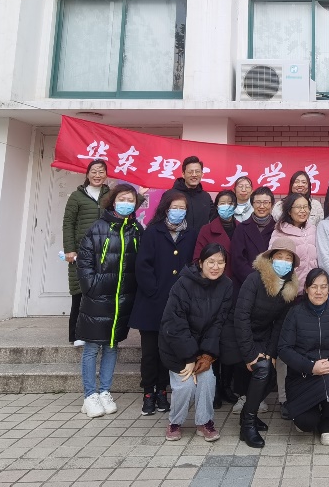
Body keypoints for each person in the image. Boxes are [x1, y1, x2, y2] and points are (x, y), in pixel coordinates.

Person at [76, 183, 142, 419]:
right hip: (98, 297)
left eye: (131, 200)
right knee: (92, 346)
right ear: (113, 201)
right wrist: (92, 286)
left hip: (122, 300)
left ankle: (105, 391)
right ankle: (89, 395)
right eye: (122, 199)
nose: (127, 203)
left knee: (112, 345)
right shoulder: (98, 227)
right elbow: (84, 261)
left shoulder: (136, 229)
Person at [130, 190, 198, 416]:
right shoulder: (153, 231)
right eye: (174, 207)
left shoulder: (191, 233)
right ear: (165, 209)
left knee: (166, 352)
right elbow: (143, 265)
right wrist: (155, 290)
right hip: (152, 303)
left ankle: (162, 391)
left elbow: (192, 264)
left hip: (178, 304)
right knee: (150, 353)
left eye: (182, 208)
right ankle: (148, 393)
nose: (178, 211)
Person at [158, 242, 233, 442]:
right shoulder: (183, 284)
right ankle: (175, 422)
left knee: (207, 381)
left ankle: (204, 422)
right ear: (200, 263)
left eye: (220, 262)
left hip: (203, 348)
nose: (215, 267)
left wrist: (207, 355)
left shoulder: (227, 286)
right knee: (185, 386)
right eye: (211, 262)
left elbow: (219, 322)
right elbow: (175, 323)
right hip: (177, 346)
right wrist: (189, 357)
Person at [233, 239, 301, 447]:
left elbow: (278, 324)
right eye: (279, 257)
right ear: (271, 259)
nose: (284, 262)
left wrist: (270, 353)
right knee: (261, 369)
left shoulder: (288, 288)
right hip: (238, 336)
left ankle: (247, 415)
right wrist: (250, 355)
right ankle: (248, 425)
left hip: (263, 336)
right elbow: (241, 317)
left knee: (270, 371)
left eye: (288, 258)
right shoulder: (255, 279)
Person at [278, 268, 329, 446]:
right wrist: (310, 366)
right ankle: (311, 411)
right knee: (306, 423)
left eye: (323, 287)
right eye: (314, 286)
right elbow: (284, 348)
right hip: (302, 375)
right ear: (306, 289)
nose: (319, 291)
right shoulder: (295, 313)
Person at [268, 191, 319, 418]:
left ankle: (306, 393)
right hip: (288, 298)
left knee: (307, 346)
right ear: (289, 210)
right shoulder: (279, 231)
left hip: (310, 297)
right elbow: (273, 265)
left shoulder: (314, 229)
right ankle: (284, 397)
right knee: (286, 348)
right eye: (298, 207)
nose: (302, 210)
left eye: (305, 206)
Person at [195, 189, 243, 409]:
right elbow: (197, 259)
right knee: (212, 338)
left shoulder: (240, 227)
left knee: (229, 340)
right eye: (222, 203)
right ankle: (212, 388)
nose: (227, 207)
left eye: (230, 203)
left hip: (235, 291)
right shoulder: (207, 229)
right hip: (212, 291)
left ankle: (226, 386)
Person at [63, 158, 109, 347]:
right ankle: (76, 334)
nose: (97, 175)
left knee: (101, 295)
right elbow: (68, 223)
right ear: (87, 174)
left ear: (106, 174)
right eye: (94, 171)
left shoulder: (110, 195)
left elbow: (124, 211)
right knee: (80, 293)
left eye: (101, 171)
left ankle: (97, 333)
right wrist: (69, 249)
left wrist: (139, 196)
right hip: (82, 253)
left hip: (105, 253)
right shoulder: (77, 196)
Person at [173, 156, 215, 230]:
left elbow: (214, 220)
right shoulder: (171, 195)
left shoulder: (206, 197)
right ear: (183, 174)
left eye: (197, 171)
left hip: (201, 237)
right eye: (190, 172)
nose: (194, 175)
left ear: (202, 174)